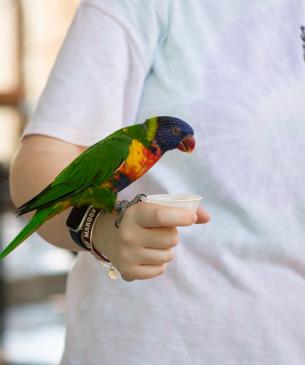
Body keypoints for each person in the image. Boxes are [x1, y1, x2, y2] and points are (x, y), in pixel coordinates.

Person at [10, 0, 305, 364]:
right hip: (146, 345)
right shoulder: (128, 143)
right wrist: (100, 230)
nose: (186, 143)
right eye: (179, 134)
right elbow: (45, 157)